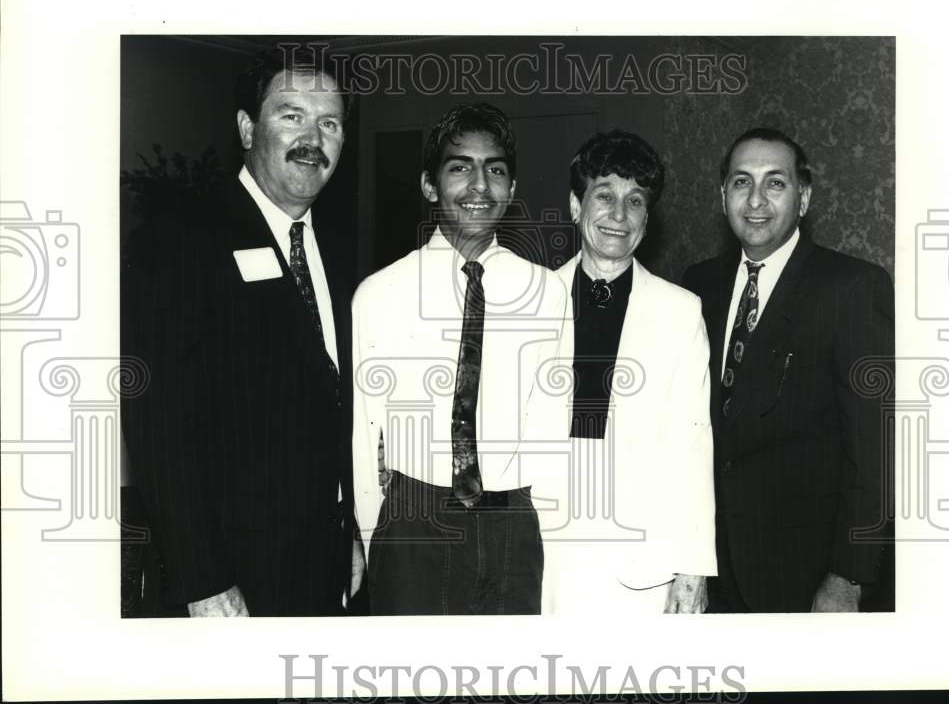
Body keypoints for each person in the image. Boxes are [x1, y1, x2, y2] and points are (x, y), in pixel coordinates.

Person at [123, 46, 361, 616]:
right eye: (292, 115)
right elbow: (157, 425)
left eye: (329, 123)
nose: (313, 138)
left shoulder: (340, 249)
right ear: (248, 128)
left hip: (321, 560)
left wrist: (347, 529)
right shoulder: (181, 237)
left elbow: (330, 403)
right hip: (228, 575)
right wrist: (203, 579)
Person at [351, 102, 568, 615]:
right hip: (412, 520)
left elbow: (551, 426)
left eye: (495, 170)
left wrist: (547, 541)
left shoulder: (546, 291)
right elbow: (363, 435)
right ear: (429, 185)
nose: (479, 185)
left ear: (512, 189)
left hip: (512, 520)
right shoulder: (380, 293)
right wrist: (376, 540)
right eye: (459, 168)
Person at [681, 127, 893, 613]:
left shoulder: (852, 288)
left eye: (775, 183)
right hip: (712, 568)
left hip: (807, 574)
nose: (756, 200)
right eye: (741, 182)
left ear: (804, 198)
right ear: (722, 195)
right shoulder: (698, 285)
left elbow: (875, 450)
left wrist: (848, 577)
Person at [542, 130, 716, 615]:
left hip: (642, 565)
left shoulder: (681, 311)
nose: (619, 215)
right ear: (575, 205)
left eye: (635, 200)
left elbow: (693, 444)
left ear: (647, 218)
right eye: (604, 196)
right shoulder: (530, 302)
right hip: (544, 557)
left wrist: (693, 566)